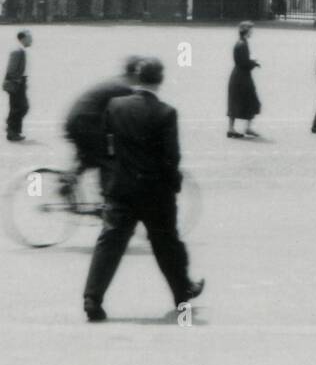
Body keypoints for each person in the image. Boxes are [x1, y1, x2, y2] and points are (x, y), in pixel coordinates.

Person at [81, 57, 204, 323]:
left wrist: (113, 175)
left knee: (109, 243)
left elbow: (105, 145)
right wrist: (174, 184)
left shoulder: (115, 106)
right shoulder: (166, 113)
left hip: (122, 187)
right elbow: (172, 156)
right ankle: (182, 296)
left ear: (138, 79)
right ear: (160, 81)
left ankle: (92, 298)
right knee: (166, 245)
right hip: (156, 191)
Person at [64, 58, 139, 188]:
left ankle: (68, 183)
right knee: (110, 160)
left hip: (77, 122)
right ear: (137, 73)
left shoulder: (117, 81)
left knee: (90, 156)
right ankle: (109, 201)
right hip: (85, 124)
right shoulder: (125, 88)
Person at [227, 21, 261, 138]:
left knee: (236, 102)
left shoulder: (241, 43)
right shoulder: (242, 44)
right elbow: (244, 63)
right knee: (250, 100)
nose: (252, 32)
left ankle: (233, 128)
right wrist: (254, 63)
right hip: (242, 77)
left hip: (238, 76)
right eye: (251, 30)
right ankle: (245, 128)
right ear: (246, 31)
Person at [3, 29, 32, 141]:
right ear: (23, 38)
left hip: (20, 82)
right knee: (20, 107)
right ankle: (12, 130)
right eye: (30, 38)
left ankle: (13, 129)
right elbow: (11, 69)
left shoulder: (20, 50)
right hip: (16, 83)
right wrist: (18, 81)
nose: (31, 40)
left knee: (18, 108)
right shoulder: (17, 51)